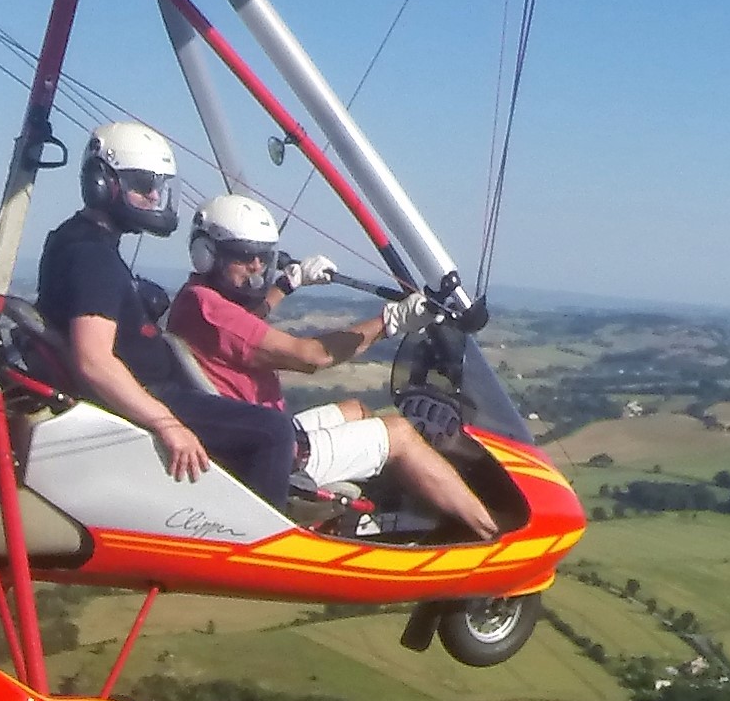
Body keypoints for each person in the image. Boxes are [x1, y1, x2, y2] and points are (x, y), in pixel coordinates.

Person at [166, 193, 499, 540]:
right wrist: (390, 321)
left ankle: (403, 505)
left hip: (257, 431)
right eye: (243, 257)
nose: (256, 267)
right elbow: (312, 356)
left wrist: (287, 284)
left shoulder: (198, 299)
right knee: (398, 433)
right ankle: (490, 532)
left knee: (355, 410)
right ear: (206, 255)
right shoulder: (209, 309)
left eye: (262, 257)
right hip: (269, 454)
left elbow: (241, 324)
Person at [34, 122, 295, 507]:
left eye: (156, 186)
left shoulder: (75, 239)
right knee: (274, 430)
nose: (154, 196)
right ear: (103, 183)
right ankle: (262, 555)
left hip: (155, 388)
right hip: (153, 395)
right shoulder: (92, 256)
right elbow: (94, 361)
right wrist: (166, 423)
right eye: (142, 185)